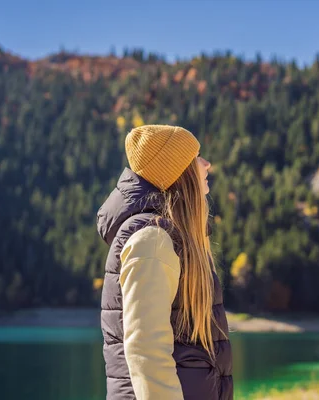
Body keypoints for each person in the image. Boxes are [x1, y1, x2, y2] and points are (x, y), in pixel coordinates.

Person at [97, 125, 233, 400]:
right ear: (177, 173)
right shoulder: (152, 240)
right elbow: (146, 351)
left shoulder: (166, 236)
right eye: (196, 158)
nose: (206, 164)